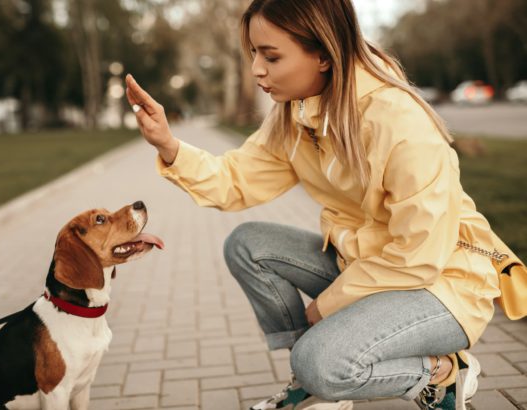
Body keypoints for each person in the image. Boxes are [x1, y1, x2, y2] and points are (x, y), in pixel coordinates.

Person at [124, 0, 501, 409]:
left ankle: (440, 374)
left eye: (271, 56)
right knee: (248, 244)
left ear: (323, 53)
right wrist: (169, 144)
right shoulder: (296, 115)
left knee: (320, 362)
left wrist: (327, 305)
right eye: (254, 53)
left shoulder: (399, 123)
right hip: (367, 267)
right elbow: (235, 181)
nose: (256, 70)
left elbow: (418, 258)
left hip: (442, 286)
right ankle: (318, 381)